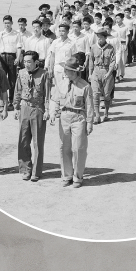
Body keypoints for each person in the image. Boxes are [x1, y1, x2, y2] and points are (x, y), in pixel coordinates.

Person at [53, 54, 93, 187]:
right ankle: (67, 176)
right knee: (64, 148)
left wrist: (89, 123)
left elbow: (89, 106)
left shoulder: (85, 86)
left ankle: (78, 177)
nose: (64, 72)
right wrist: (53, 112)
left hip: (78, 118)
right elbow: (56, 99)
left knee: (78, 149)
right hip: (64, 117)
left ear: (74, 71)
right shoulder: (61, 83)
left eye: (67, 70)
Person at [14, 50, 51, 181]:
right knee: (23, 140)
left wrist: (47, 110)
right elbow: (18, 90)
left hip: (38, 109)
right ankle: (25, 169)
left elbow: (47, 94)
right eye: (24, 61)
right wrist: (16, 107)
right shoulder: (21, 73)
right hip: (24, 107)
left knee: (37, 142)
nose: (26, 64)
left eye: (29, 62)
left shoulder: (44, 74)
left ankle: (36, 171)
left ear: (36, 62)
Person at [87, 29, 116, 123]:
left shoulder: (111, 48)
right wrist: (90, 74)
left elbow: (113, 62)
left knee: (107, 95)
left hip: (107, 71)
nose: (99, 38)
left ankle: (106, 113)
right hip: (96, 71)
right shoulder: (93, 47)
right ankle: (97, 116)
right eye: (98, 36)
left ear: (105, 37)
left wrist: (109, 73)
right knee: (95, 94)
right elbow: (91, 61)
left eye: (101, 37)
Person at [0, 14, 20, 104]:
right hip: (2, 57)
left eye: (8, 23)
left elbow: (19, 47)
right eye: (5, 23)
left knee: (12, 79)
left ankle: (11, 100)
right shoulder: (0, 34)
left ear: (12, 23)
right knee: (2, 78)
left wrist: (18, 58)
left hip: (12, 56)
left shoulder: (17, 34)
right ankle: (3, 100)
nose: (7, 25)